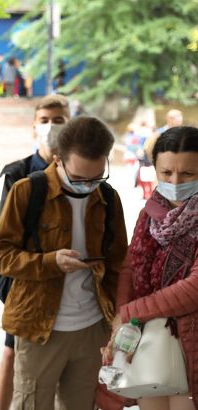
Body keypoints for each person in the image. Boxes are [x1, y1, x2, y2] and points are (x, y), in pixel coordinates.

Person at [0, 116, 129, 409]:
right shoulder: (27, 191)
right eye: (78, 178)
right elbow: (0, 255)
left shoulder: (108, 197)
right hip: (39, 328)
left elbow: (119, 264)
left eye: (97, 177)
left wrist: (120, 317)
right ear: (57, 159)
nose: (88, 185)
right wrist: (49, 262)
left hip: (93, 328)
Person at [103, 126, 198, 410]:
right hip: (149, 340)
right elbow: (130, 269)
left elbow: (193, 289)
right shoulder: (150, 213)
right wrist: (122, 321)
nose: (175, 182)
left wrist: (131, 313)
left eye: (188, 174)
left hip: (191, 340)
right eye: (166, 173)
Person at [0, 94, 71, 410]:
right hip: (27, 280)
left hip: (69, 282)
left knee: (67, 362)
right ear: (34, 126)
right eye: (45, 120)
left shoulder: (80, 171)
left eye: (58, 120)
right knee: (13, 352)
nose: (51, 127)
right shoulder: (18, 173)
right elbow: (5, 239)